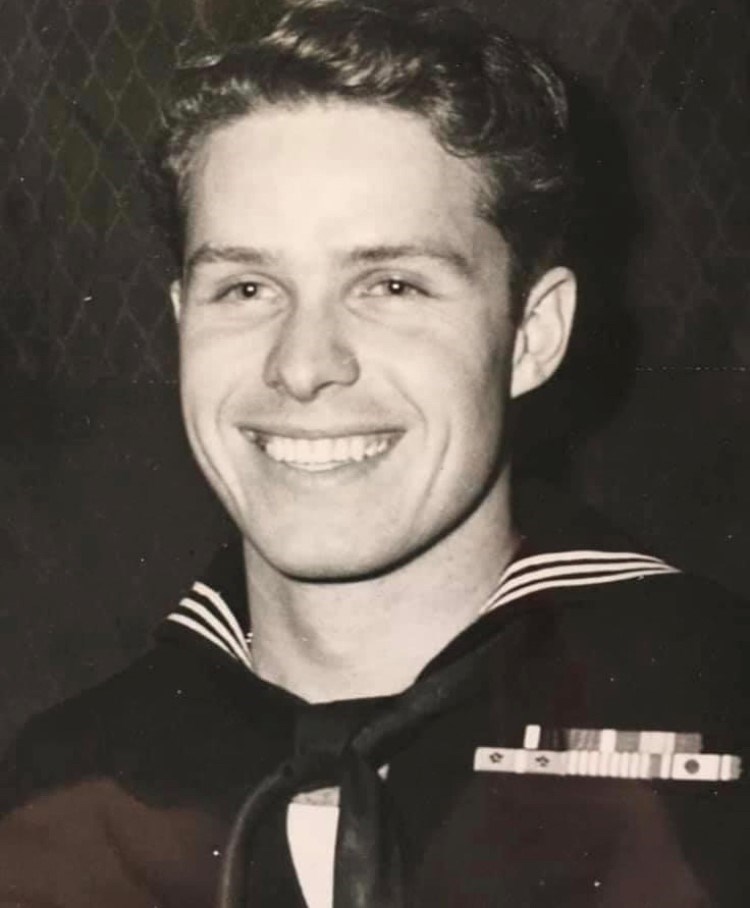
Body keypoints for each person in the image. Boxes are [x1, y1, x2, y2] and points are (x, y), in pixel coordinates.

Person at [0, 1, 748, 905]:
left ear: (532, 335)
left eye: (391, 284)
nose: (303, 364)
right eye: (246, 288)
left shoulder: (721, 705)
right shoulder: (57, 792)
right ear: (181, 321)